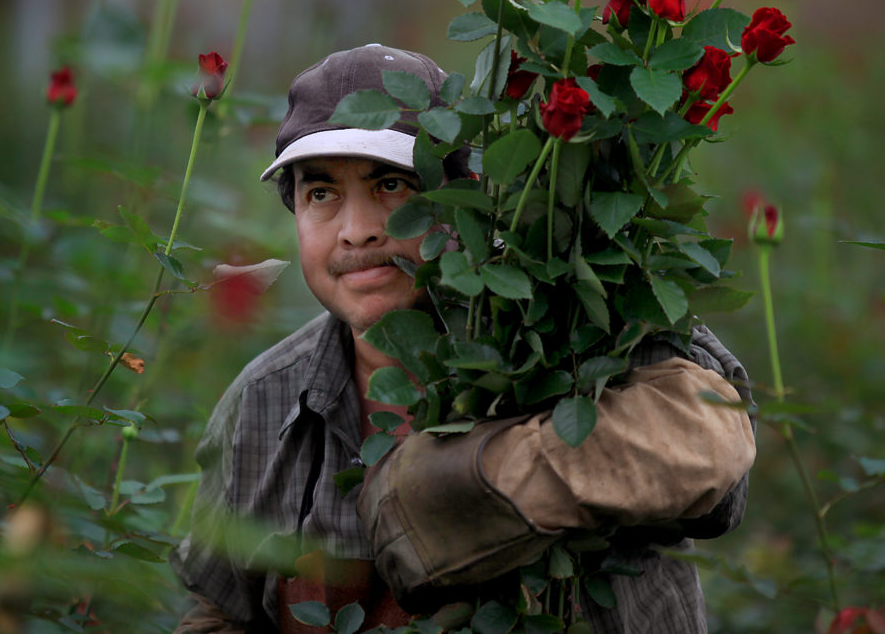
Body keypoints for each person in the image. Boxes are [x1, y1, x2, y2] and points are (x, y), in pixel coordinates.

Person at [170, 43, 756, 634]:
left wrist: (485, 482)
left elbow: (714, 441)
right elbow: (219, 612)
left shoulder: (571, 331)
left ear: (461, 200)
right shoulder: (264, 403)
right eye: (321, 194)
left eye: (392, 186)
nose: (357, 232)